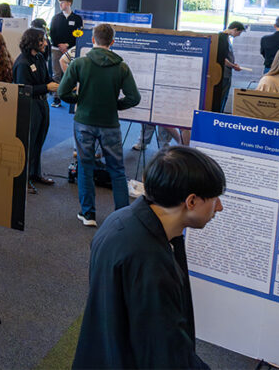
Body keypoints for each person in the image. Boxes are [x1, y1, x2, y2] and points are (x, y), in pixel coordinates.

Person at [73, 147, 225, 369]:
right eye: (215, 199)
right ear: (191, 201)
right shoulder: (151, 262)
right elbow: (166, 355)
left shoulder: (121, 219)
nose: (220, 207)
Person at [58, 23, 141, 227]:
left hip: (84, 122)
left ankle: (88, 214)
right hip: (110, 123)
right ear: (112, 42)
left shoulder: (79, 63)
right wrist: (115, 105)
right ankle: (121, 217)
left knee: (85, 167)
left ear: (93, 39)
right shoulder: (121, 67)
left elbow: (62, 92)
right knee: (117, 170)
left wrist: (79, 99)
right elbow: (134, 97)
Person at [14, 28, 60, 190]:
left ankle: (35, 173)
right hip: (30, 106)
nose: (46, 43)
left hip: (42, 103)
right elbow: (24, 90)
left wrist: (59, 85)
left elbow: (46, 78)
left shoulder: (39, 57)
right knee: (28, 142)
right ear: (33, 41)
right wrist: (46, 87)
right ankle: (23, 179)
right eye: (43, 40)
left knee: (39, 140)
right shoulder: (22, 63)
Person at [49, 0, 83, 107]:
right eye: (59, 3)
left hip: (71, 50)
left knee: (70, 73)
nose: (60, 5)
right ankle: (56, 98)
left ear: (69, 3)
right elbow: (52, 33)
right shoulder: (56, 18)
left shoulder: (77, 19)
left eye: (62, 2)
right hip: (56, 49)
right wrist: (60, 45)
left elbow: (79, 34)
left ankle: (69, 96)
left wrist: (67, 45)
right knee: (56, 74)